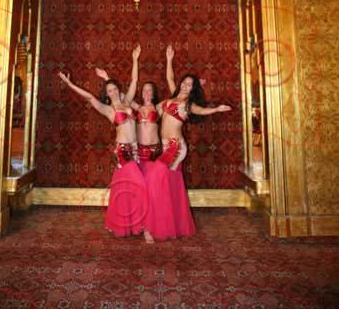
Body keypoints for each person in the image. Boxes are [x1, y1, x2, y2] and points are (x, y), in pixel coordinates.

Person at [58, 44, 149, 239]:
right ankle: (145, 226)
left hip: (136, 149)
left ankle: (130, 225)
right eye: (110, 90)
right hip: (123, 151)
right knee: (140, 184)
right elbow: (89, 97)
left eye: (115, 89)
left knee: (127, 188)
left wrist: (134, 59)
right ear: (107, 94)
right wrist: (69, 83)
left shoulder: (127, 102)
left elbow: (134, 80)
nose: (113, 92)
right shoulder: (108, 110)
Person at [143, 44, 232, 241]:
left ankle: (150, 226)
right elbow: (170, 78)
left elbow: (201, 111)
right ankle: (168, 223)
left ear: (193, 89)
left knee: (155, 178)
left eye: (190, 85)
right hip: (164, 146)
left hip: (176, 147)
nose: (185, 86)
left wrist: (216, 110)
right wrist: (169, 60)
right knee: (167, 184)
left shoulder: (188, 104)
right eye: (184, 82)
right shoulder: (173, 97)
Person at [96, 67, 162, 176]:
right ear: (141, 93)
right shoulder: (134, 105)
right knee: (136, 178)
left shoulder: (158, 107)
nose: (147, 92)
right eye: (144, 90)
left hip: (153, 150)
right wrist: (107, 78)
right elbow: (116, 94)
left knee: (152, 178)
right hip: (138, 149)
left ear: (154, 93)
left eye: (149, 90)